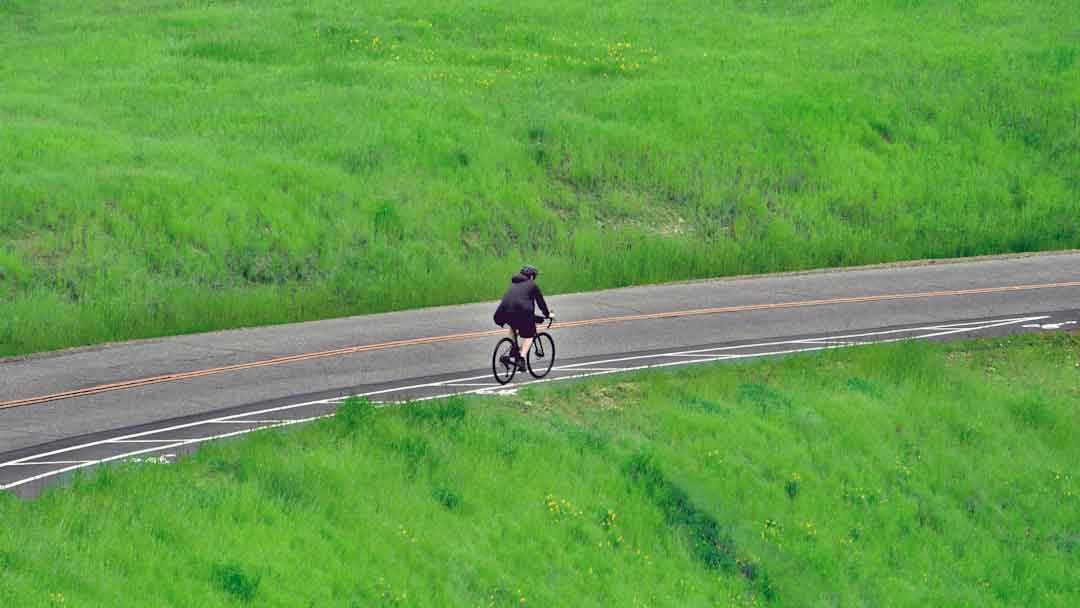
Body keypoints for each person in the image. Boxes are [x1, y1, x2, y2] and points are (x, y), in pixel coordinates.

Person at [493, 265, 551, 370]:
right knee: (530, 335)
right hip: (522, 312)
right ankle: (522, 359)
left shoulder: (513, 284)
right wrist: (547, 314)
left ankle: (513, 349)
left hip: (503, 312)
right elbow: (540, 303)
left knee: (512, 325)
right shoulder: (532, 285)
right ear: (532, 276)